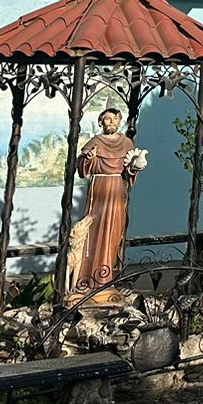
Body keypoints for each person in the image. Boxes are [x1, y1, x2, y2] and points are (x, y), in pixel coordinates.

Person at [67, 106, 146, 303]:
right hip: (99, 190)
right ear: (101, 122)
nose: (111, 123)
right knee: (93, 232)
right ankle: (86, 279)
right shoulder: (95, 142)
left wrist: (136, 165)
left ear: (120, 122)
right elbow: (83, 168)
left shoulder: (126, 143)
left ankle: (106, 279)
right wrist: (88, 158)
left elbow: (129, 172)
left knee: (113, 233)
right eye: (107, 119)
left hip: (117, 192)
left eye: (114, 119)